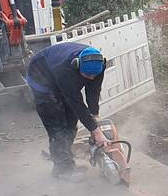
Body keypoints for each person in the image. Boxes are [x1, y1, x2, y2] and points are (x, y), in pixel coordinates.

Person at [26, 42, 109, 180]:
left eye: (94, 75)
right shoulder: (65, 69)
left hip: (60, 78)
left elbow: (93, 91)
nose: (91, 79)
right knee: (57, 124)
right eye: (87, 75)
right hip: (41, 78)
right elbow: (76, 102)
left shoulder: (99, 64)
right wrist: (95, 130)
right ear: (77, 66)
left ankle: (63, 157)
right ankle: (63, 169)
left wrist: (95, 116)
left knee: (71, 121)